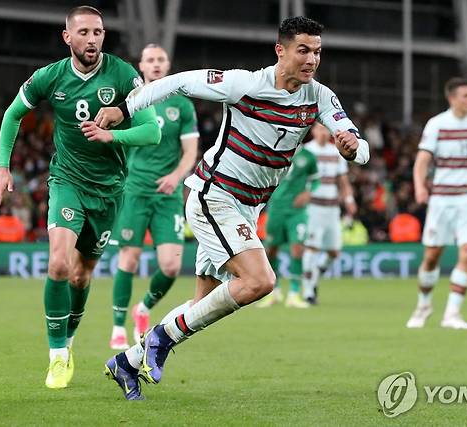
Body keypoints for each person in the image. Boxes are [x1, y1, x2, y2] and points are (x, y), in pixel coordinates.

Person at [97, 16, 369, 400]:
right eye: (303, 50)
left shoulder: (319, 96)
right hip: (215, 196)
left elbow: (359, 145)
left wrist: (353, 149)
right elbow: (177, 82)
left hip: (248, 208)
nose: (312, 60)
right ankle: (159, 339)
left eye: (318, 52)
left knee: (202, 305)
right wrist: (125, 108)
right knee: (260, 281)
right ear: (281, 50)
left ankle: (127, 362)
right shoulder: (245, 84)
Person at [0, 6, 160, 389]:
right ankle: (57, 355)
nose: (92, 39)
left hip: (110, 190)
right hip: (67, 181)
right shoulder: (49, 77)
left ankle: (71, 338)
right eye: (84, 32)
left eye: (98, 32)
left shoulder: (124, 76)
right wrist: (1, 166)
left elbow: (152, 133)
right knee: (59, 264)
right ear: (68, 38)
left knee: (81, 275)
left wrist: (114, 135)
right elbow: (13, 115)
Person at [109, 44, 199, 350]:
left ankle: (144, 308)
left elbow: (190, 152)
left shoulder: (183, 105)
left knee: (171, 265)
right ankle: (118, 327)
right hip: (135, 190)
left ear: (168, 64)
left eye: (161, 59)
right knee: (129, 258)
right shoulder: (130, 102)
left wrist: (176, 176)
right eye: (150, 60)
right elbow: (114, 141)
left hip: (168, 194)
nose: (156, 64)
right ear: (142, 66)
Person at [406, 77, 467, 330]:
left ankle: (452, 313)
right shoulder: (437, 124)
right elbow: (422, 160)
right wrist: (419, 186)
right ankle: (424, 304)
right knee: (432, 256)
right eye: (466, 96)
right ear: (452, 98)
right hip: (442, 198)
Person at [257, 143, 319, 309]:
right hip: (276, 209)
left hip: (297, 211)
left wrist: (308, 193)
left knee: (297, 249)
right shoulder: (274, 152)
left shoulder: (308, 156)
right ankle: (274, 292)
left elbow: (316, 180)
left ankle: (294, 293)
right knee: (271, 250)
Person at [301, 123, 356, 304]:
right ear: (314, 131)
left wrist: (349, 200)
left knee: (334, 252)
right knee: (312, 247)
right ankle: (308, 292)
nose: (323, 133)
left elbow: (343, 181)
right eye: (319, 129)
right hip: (313, 207)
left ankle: (314, 275)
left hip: (332, 208)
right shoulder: (306, 151)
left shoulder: (336, 153)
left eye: (326, 130)